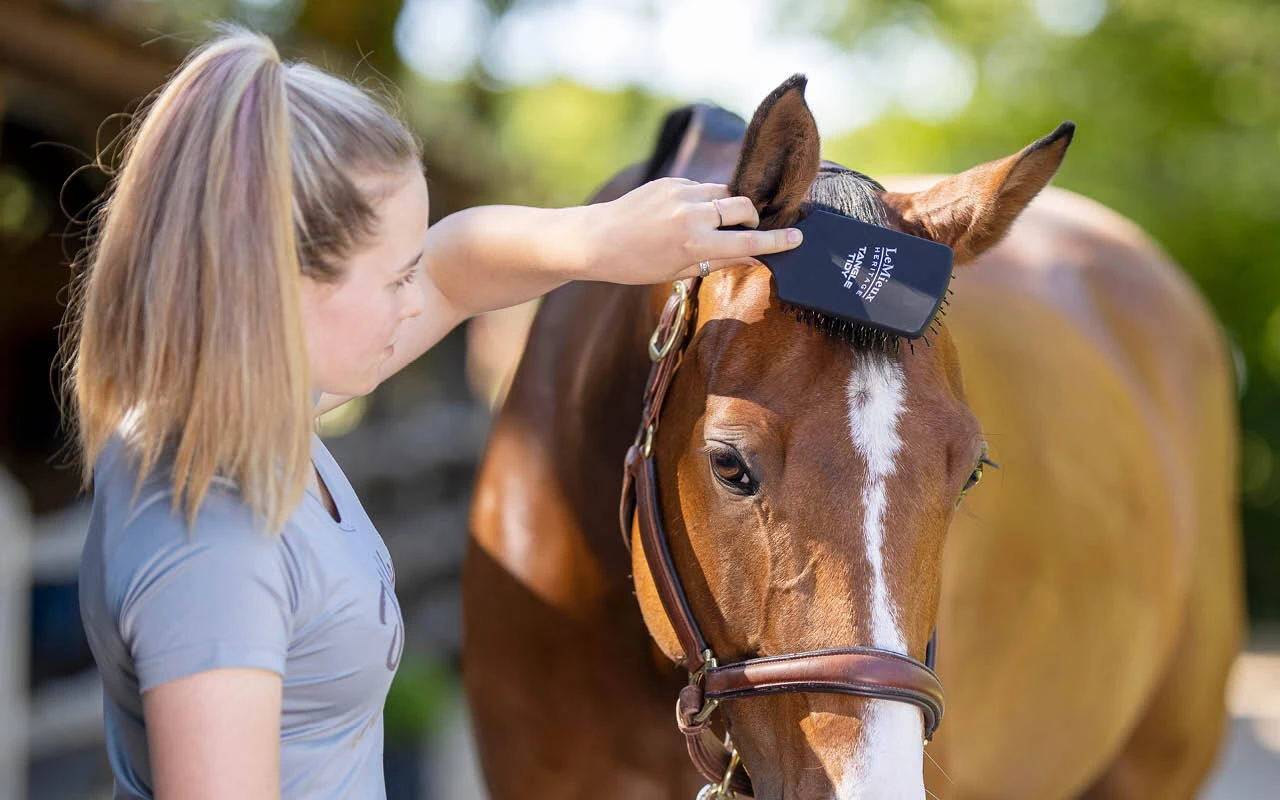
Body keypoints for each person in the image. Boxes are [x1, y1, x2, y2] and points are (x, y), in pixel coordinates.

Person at [63, 25, 801, 800]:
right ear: (281, 284)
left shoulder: (247, 416)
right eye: (394, 279)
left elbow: (454, 269)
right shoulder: (212, 536)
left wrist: (604, 238)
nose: (416, 300)